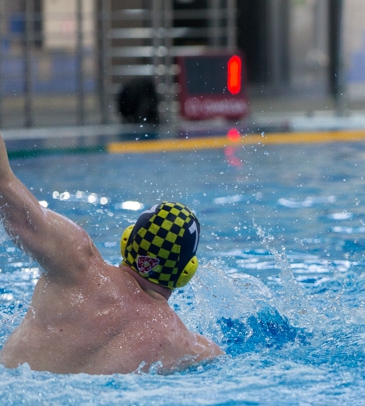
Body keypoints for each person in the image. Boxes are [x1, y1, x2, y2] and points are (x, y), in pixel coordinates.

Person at [0, 134, 222, 374]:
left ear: (126, 241)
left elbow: (5, 185)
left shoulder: (76, 260)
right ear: (186, 272)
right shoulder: (185, 345)